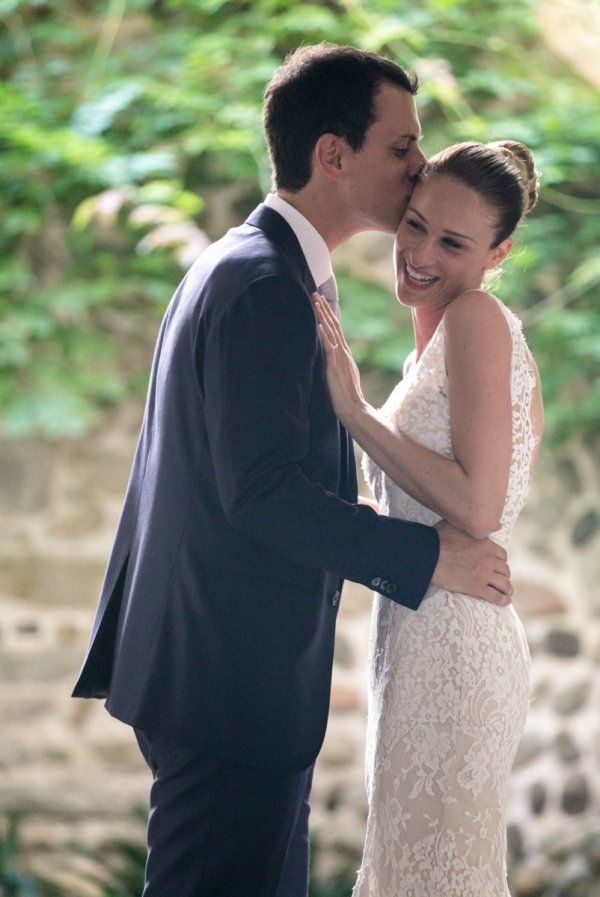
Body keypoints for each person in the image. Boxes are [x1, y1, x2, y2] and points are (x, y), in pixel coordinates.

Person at [72, 45, 512, 897]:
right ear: (333, 154)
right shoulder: (262, 282)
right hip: (227, 688)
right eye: (401, 146)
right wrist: (427, 557)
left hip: (225, 675)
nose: (419, 166)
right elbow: (261, 490)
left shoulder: (254, 262)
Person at [313, 139, 544, 896]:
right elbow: (417, 498)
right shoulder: (430, 350)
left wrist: (353, 411)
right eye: (414, 225)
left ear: (498, 253)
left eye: (452, 242)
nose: (418, 253)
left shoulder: (477, 317)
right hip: (412, 635)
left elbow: (478, 504)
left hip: (457, 646)